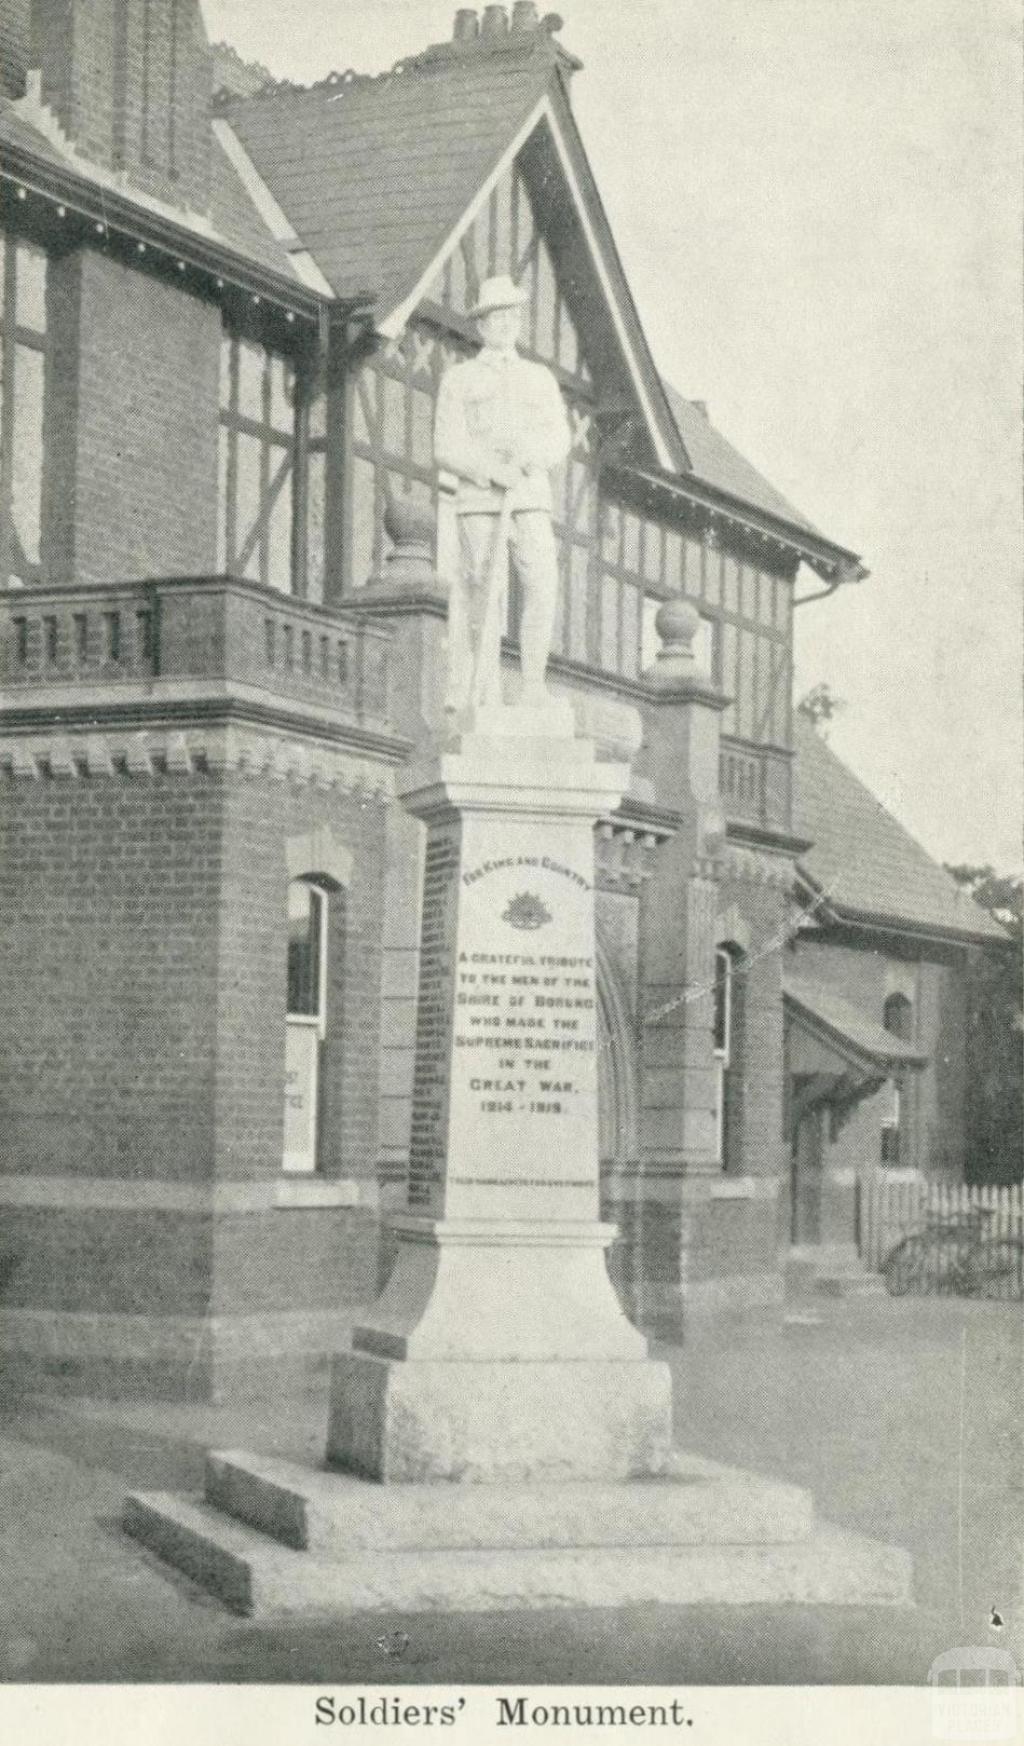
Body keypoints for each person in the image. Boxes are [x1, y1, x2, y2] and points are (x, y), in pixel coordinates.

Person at [434, 274, 571, 713]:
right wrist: (491, 471)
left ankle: (532, 685)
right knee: (482, 593)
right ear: (481, 325)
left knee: (542, 585)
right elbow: (444, 447)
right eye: (498, 315)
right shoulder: (460, 379)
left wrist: (531, 457)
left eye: (513, 313)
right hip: (480, 500)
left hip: (529, 498)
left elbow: (559, 438)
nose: (507, 321)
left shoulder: (539, 378)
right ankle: (481, 691)